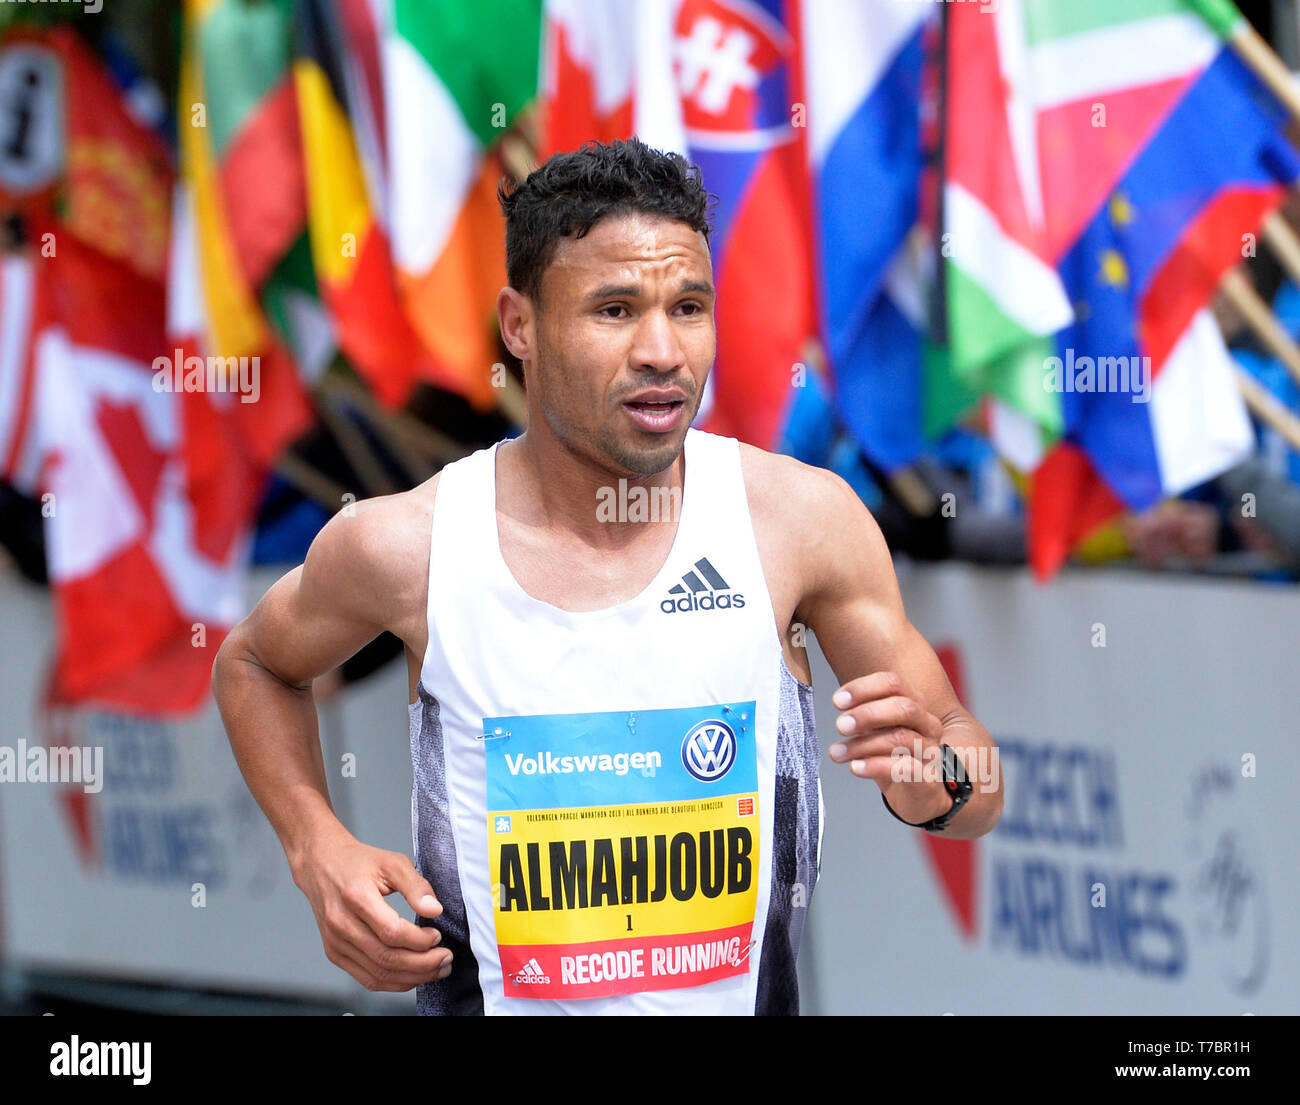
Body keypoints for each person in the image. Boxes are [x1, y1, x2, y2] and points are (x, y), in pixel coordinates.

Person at [212, 138, 1003, 1016]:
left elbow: (971, 773)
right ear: (520, 326)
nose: (663, 350)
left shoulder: (798, 521)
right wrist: (315, 845)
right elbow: (253, 663)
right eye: (616, 310)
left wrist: (941, 786)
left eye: (689, 306)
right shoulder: (409, 544)